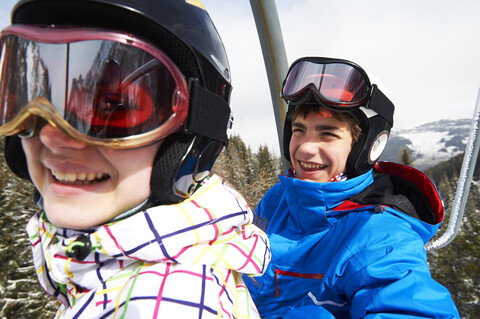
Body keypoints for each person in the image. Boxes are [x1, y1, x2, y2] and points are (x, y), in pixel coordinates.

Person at [0, 0, 270, 317]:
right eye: (33, 96)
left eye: (118, 108)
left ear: (190, 131)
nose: (52, 136)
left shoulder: (162, 304)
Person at [244, 56, 460, 318]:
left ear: (368, 147)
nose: (304, 147)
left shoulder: (380, 235)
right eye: (299, 130)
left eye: (328, 134)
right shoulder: (280, 198)